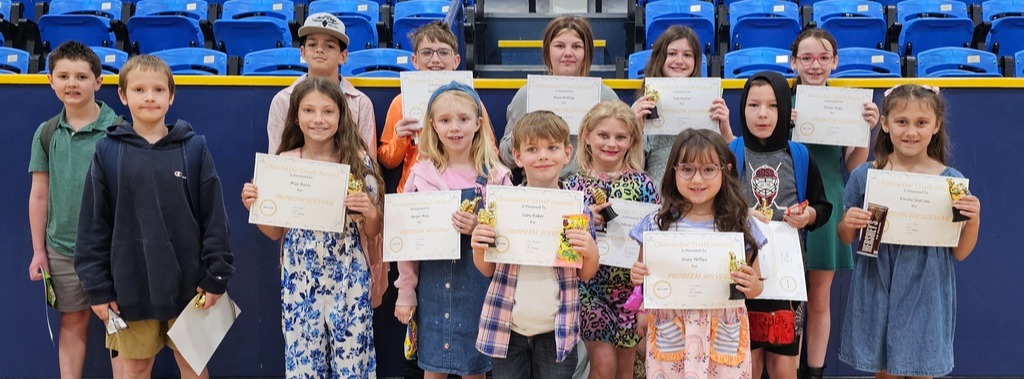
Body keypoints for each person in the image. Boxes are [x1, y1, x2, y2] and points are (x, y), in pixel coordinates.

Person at [74, 55, 234, 379]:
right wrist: (98, 289)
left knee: (194, 365)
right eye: (140, 89)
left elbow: (214, 217)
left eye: (159, 90)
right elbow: (93, 225)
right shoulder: (106, 151)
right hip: (129, 286)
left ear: (171, 96)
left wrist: (216, 274)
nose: (150, 97)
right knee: (135, 367)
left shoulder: (194, 149)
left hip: (192, 286)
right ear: (123, 95)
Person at [241, 77, 382, 378]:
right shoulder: (284, 162)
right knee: (303, 363)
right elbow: (275, 231)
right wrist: (255, 206)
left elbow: (372, 231)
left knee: (353, 362)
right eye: (309, 111)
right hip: (299, 275)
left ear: (341, 116)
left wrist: (370, 212)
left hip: (348, 274)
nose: (318, 119)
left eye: (328, 111)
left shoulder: (357, 162)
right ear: (296, 117)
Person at [837, 84, 981, 379]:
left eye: (921, 123)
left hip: (927, 286)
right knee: (885, 370)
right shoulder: (866, 175)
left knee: (920, 368)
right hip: (878, 280)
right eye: (902, 122)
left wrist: (974, 220)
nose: (911, 132)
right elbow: (845, 237)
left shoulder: (950, 183)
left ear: (936, 125)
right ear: (886, 124)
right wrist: (848, 222)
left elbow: (961, 253)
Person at [393, 82, 512, 378]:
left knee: (475, 369)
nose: (454, 128)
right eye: (445, 120)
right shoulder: (421, 174)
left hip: (480, 291)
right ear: (432, 125)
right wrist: (405, 290)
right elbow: (407, 240)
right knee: (433, 369)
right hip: (432, 289)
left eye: (463, 119)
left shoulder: (496, 176)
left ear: (478, 124)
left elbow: (510, 238)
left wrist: (481, 228)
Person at [470, 110, 600, 378]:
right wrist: (478, 245)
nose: (543, 156)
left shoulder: (576, 207)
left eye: (552, 147)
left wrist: (590, 250)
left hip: (557, 331)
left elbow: (586, 274)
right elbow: (486, 269)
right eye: (532, 149)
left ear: (567, 154)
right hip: (508, 328)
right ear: (518, 157)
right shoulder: (503, 205)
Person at [629, 128, 767, 378]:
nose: (697, 180)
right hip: (671, 328)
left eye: (708, 170)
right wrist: (638, 276)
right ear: (673, 172)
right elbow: (640, 279)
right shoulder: (657, 224)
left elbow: (757, 287)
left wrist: (751, 283)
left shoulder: (739, 224)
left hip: (722, 329)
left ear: (725, 171)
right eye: (687, 169)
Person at [27, 40, 124, 379]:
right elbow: (40, 194)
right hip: (63, 250)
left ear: (98, 82)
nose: (72, 84)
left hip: (111, 250)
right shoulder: (46, 133)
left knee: (117, 324)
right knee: (73, 321)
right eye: (63, 76)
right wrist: (39, 251)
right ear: (50, 81)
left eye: (82, 77)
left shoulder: (119, 130)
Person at [786, 28, 880, 379]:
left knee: (819, 298)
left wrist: (867, 128)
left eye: (823, 58)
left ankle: (814, 372)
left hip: (829, 199)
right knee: (789, 299)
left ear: (835, 62)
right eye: (807, 58)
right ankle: (788, 369)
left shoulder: (848, 105)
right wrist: (786, 126)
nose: (815, 65)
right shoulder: (781, 101)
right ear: (794, 61)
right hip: (788, 201)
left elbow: (855, 165)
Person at [729, 71, 832, 379]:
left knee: (784, 364)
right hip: (742, 274)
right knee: (746, 362)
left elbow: (823, 207)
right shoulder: (731, 153)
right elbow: (715, 207)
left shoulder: (799, 155)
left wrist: (808, 216)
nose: (762, 114)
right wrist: (741, 211)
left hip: (787, 277)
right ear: (742, 109)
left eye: (773, 106)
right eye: (754, 105)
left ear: (786, 109)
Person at [562, 100, 659, 379]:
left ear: (632, 140)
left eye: (620, 137)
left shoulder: (644, 185)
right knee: (603, 366)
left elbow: (653, 241)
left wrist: (645, 300)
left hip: (630, 289)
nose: (611, 143)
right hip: (590, 287)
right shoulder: (572, 185)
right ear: (587, 137)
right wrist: (585, 218)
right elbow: (564, 243)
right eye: (603, 135)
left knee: (624, 371)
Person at [499, 16, 621, 182]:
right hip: (537, 186)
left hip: (591, 187)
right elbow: (507, 158)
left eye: (576, 46)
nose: (568, 53)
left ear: (587, 52)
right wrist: (522, 131)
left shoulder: (606, 98)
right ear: (548, 51)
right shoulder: (526, 95)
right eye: (560, 46)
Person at [378, 21, 496, 192]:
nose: (435, 59)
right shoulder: (400, 102)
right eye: (427, 52)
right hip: (415, 193)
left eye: (443, 52)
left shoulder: (471, 101)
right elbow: (387, 161)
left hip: (464, 191)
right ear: (415, 60)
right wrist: (399, 137)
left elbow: (491, 152)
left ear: (456, 61)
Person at [631, 25, 735, 188]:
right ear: (660, 57)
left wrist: (726, 130)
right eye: (672, 54)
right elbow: (634, 170)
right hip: (658, 197)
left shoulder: (710, 101)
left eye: (687, 55)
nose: (679, 61)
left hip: (699, 193)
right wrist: (636, 129)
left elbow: (730, 166)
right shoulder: (642, 106)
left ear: (696, 62)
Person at [267, 12, 376, 160]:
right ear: (303, 52)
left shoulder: (361, 103)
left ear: (343, 56)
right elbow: (275, 161)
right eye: (312, 44)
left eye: (329, 45)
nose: (319, 50)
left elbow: (368, 165)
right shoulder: (283, 100)